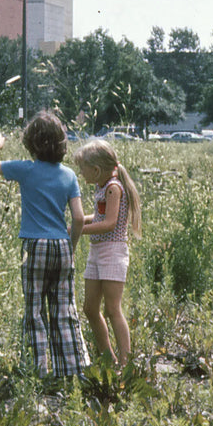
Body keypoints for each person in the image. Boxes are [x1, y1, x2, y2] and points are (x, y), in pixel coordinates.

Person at [0, 111, 90, 379]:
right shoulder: (69, 175)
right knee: (64, 310)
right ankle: (71, 372)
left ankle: (38, 372)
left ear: (31, 143)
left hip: (34, 246)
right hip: (61, 244)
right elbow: (78, 218)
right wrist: (71, 248)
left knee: (34, 310)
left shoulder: (25, 170)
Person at [72, 138, 142, 368]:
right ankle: (108, 359)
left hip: (112, 251)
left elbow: (109, 223)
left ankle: (125, 363)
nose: (81, 173)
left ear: (96, 170)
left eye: (82, 168)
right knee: (90, 308)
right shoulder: (101, 187)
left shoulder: (113, 188)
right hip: (97, 251)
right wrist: (79, 220)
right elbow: (100, 216)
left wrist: (78, 229)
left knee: (112, 309)